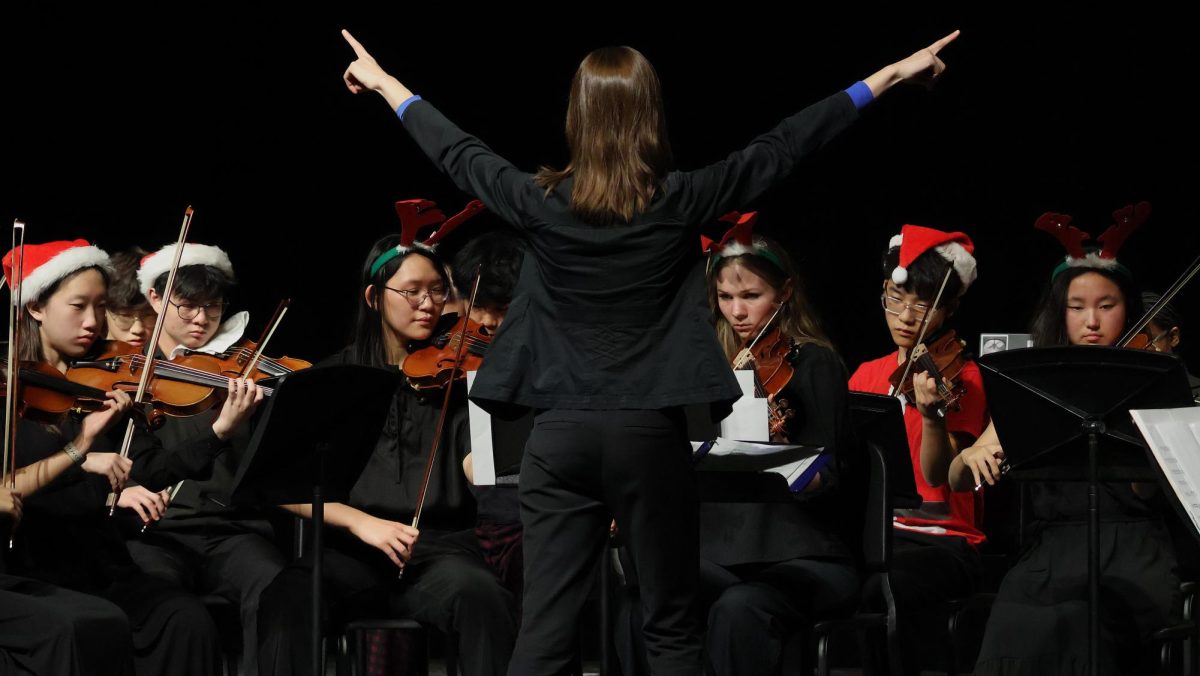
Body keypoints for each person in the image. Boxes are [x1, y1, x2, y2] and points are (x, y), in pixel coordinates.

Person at [340, 28, 959, 675]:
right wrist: (889, 74)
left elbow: (458, 151)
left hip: (561, 439)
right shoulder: (682, 199)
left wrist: (385, 83)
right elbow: (784, 146)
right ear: (651, 118)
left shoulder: (540, 202)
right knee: (670, 627)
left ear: (576, 117)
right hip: (646, 436)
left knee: (545, 634)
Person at [256, 235, 517, 676]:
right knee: (286, 598)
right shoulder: (331, 380)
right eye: (412, 291)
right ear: (375, 297)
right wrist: (363, 524)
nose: (428, 304)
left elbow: (475, 461)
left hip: (441, 550)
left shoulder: (458, 376)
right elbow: (282, 482)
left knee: (484, 599)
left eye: (437, 290)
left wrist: (499, 470)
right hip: (350, 552)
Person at [950, 216, 1180, 674]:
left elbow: (1148, 493)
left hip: (1131, 552)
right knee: (1014, 626)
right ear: (1061, 312)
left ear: (1128, 310)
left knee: (1082, 623)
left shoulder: (1152, 384)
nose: (1092, 321)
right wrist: (974, 454)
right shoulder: (1035, 387)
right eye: (1077, 307)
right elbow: (955, 475)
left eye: (1107, 305)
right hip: (1048, 555)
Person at [847, 224, 988, 674]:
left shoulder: (965, 378)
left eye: (922, 305)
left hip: (944, 543)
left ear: (948, 309)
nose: (906, 316)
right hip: (878, 537)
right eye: (895, 298)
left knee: (889, 586)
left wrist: (932, 415)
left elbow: (936, 477)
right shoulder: (866, 375)